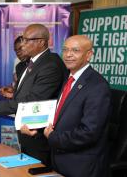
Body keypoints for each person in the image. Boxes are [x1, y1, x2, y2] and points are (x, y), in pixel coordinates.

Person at [0, 24, 67, 166]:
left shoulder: (50, 64)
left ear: (41, 42)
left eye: (26, 40)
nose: (23, 44)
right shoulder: (30, 63)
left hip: (39, 135)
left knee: (37, 170)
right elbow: (31, 90)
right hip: (27, 131)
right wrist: (15, 92)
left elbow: (33, 100)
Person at [42, 35, 111, 176]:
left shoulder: (97, 86)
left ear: (89, 55)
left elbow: (89, 132)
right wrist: (37, 129)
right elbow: (61, 117)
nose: (68, 55)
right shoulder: (68, 79)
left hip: (80, 167)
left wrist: (54, 138)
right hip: (59, 161)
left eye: (75, 50)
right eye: (65, 49)